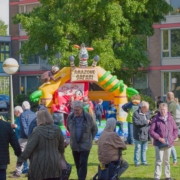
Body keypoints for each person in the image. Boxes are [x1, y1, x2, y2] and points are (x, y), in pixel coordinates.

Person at [16, 109, 69, 180]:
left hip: (39, 164)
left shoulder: (37, 130)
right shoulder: (57, 129)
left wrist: (20, 160)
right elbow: (61, 147)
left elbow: (29, 148)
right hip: (55, 163)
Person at [67, 100, 98, 180]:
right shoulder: (70, 117)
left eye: (77, 110)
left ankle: (81, 178)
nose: (75, 112)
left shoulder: (88, 117)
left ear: (81, 109)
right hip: (74, 145)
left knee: (83, 163)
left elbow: (94, 129)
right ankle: (80, 177)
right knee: (77, 164)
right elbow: (68, 128)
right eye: (74, 110)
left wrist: (90, 139)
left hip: (85, 145)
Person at [149, 103, 178, 180]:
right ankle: (157, 177)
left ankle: (167, 176)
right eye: (161, 109)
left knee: (167, 161)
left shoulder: (171, 118)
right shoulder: (155, 119)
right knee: (159, 161)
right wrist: (159, 138)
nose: (163, 111)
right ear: (159, 110)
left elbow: (175, 129)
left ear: (167, 110)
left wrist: (172, 138)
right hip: (159, 144)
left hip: (169, 143)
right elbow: (151, 131)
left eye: (164, 109)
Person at [10, 101, 37, 178]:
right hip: (33, 137)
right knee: (32, 155)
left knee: (20, 155)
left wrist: (28, 136)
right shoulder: (34, 114)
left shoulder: (22, 115)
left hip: (24, 137)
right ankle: (31, 171)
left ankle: (18, 172)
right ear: (30, 107)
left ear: (22, 108)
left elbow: (24, 127)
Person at [133, 101, 151, 167]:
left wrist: (150, 122)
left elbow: (149, 121)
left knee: (144, 149)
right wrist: (146, 122)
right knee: (138, 148)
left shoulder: (147, 113)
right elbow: (136, 123)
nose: (147, 110)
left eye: (147, 108)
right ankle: (136, 162)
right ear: (142, 107)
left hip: (146, 133)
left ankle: (144, 161)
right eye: (146, 108)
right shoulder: (136, 113)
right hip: (139, 134)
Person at [11, 106, 28, 174]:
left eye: (15, 112)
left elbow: (23, 128)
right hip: (18, 137)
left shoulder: (22, 117)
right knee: (21, 154)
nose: (14, 114)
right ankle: (22, 168)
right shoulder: (18, 118)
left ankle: (25, 168)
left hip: (22, 138)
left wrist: (16, 126)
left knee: (22, 154)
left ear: (18, 112)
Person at [166, 92, 178, 166]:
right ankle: (173, 160)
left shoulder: (171, 104)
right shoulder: (173, 104)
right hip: (170, 123)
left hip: (170, 124)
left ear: (168, 97)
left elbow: (167, 113)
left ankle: (175, 160)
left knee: (170, 143)